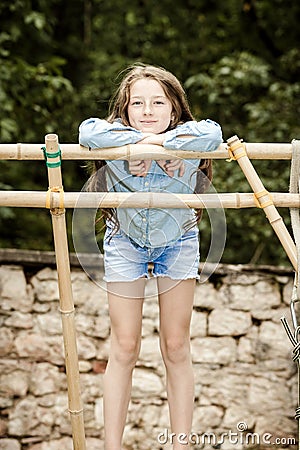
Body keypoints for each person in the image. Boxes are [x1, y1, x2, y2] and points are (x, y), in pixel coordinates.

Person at [79, 64, 222, 450]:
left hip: (178, 242)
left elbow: (214, 132)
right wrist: (134, 146)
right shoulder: (114, 139)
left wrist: (166, 146)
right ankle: (111, 446)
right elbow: (86, 130)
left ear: (173, 110)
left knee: (176, 345)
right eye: (137, 103)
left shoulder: (188, 137)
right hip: (125, 241)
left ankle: (181, 445)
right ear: (124, 111)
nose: (147, 110)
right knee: (124, 345)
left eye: (157, 102)